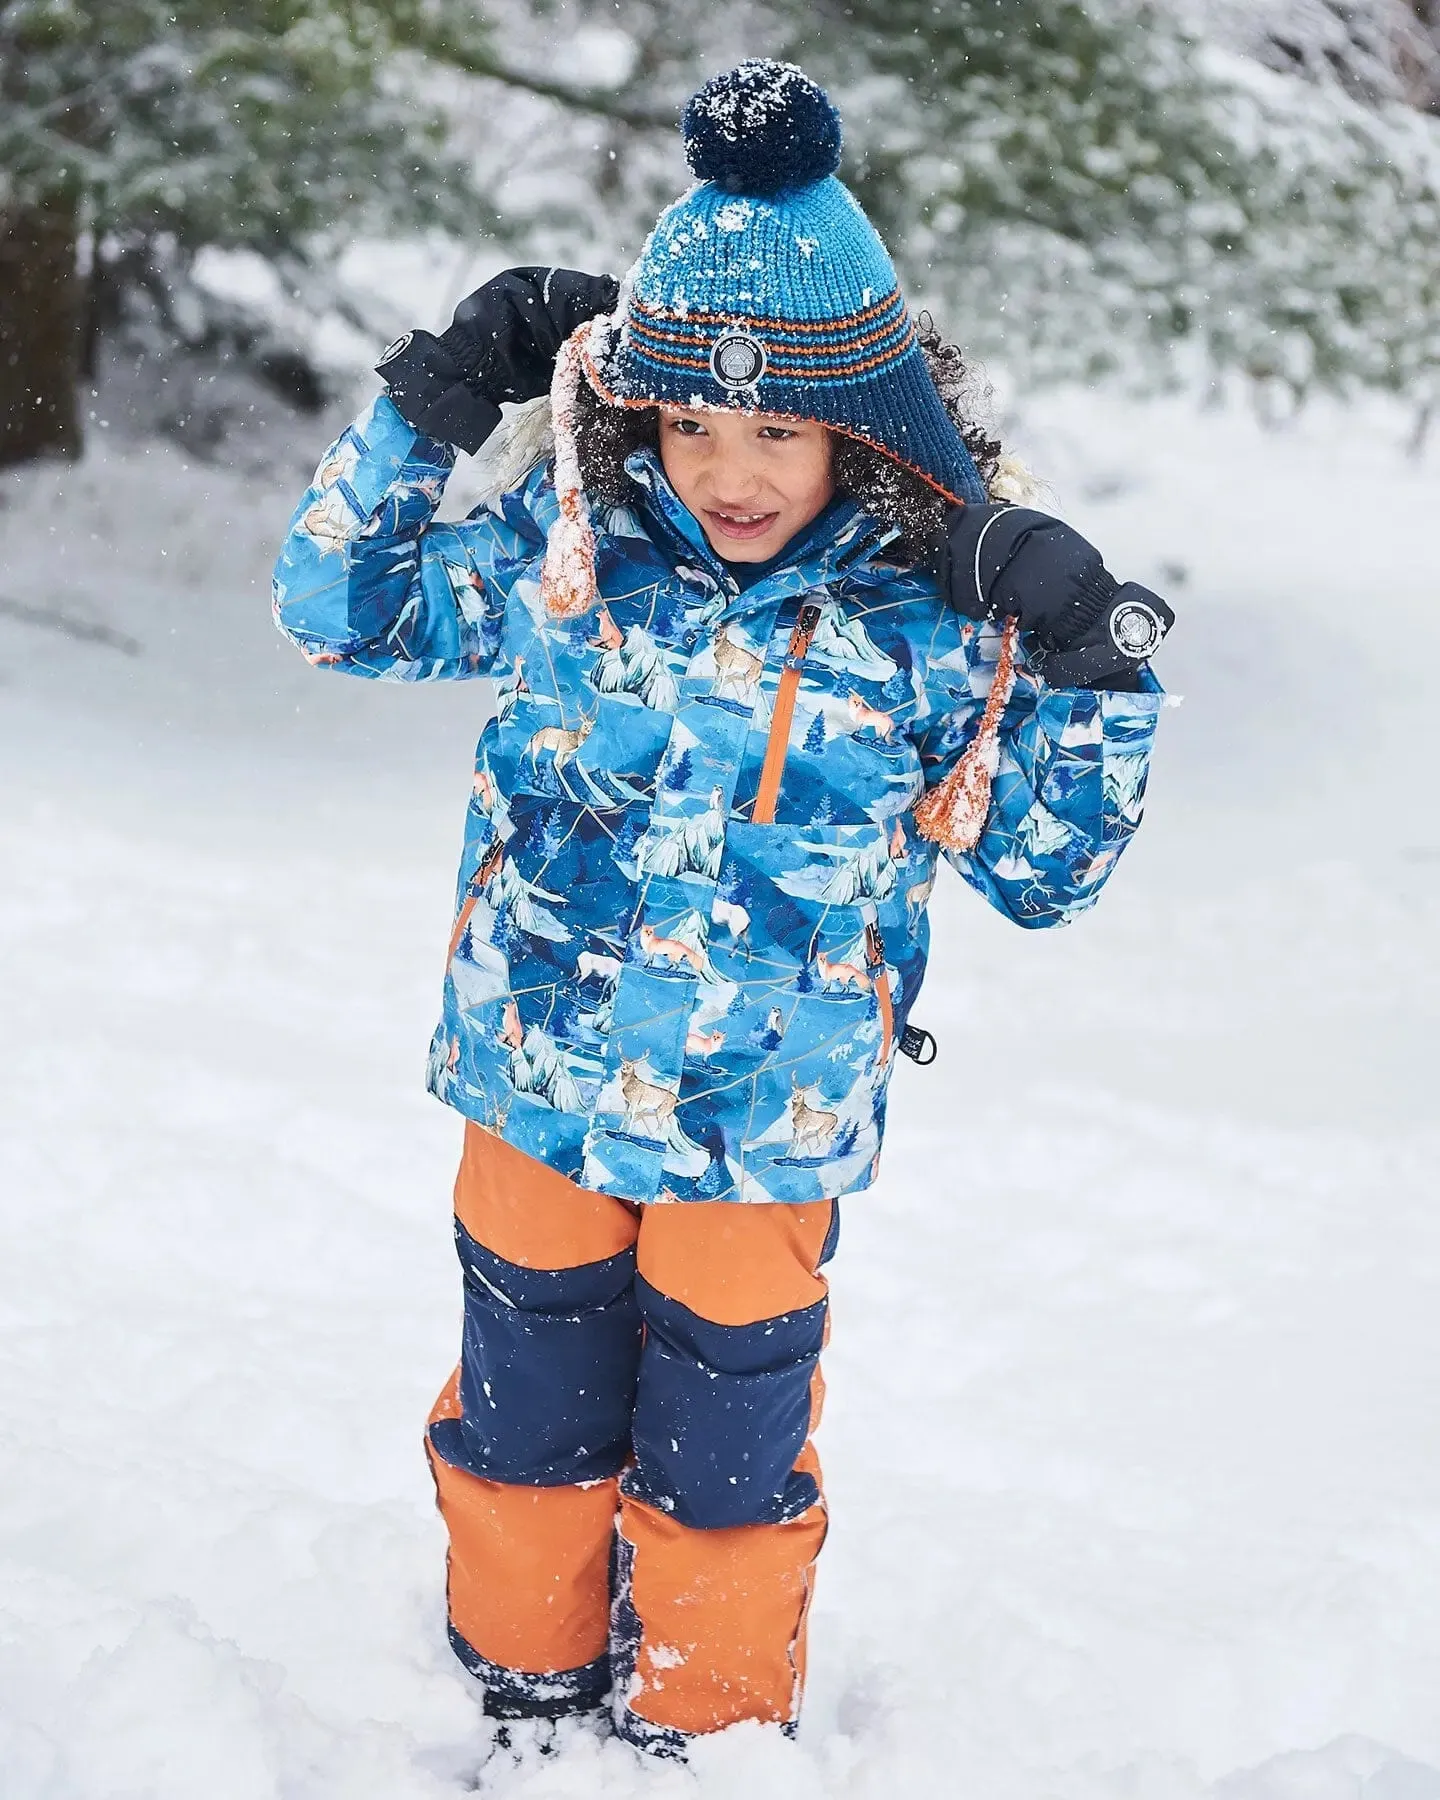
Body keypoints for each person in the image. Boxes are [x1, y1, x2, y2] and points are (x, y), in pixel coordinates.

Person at [272, 59, 1172, 1760]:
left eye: (781, 429)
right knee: (524, 1420)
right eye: (694, 423)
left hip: (767, 1131)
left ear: (865, 429)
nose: (735, 471)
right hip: (535, 1088)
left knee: (729, 1455)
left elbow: (1046, 875)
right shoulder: (568, 566)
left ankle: (713, 1730)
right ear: (639, 416)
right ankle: (520, 1692)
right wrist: (435, 397)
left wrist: (1085, 661)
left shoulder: (925, 629)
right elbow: (336, 605)